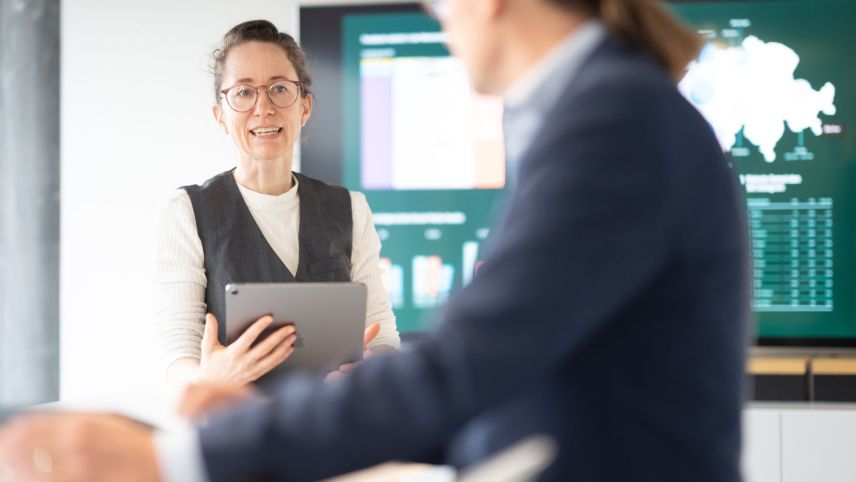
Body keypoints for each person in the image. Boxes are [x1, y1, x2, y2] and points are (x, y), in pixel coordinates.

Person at [0, 0, 750, 481]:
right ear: (220, 110)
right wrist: (234, 412)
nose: (438, 16)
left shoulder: (610, 123)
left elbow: (464, 365)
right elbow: (506, 373)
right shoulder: (604, 112)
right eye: (243, 93)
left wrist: (176, 457)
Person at [154, 20, 400, 387]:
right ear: (220, 114)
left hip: (332, 425)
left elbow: (379, 331)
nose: (263, 107)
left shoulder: (350, 207)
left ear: (304, 107)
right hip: (238, 426)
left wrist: (371, 370)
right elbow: (177, 348)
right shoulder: (187, 210)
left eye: (279, 89)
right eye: (243, 92)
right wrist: (210, 380)